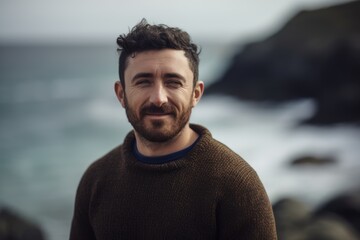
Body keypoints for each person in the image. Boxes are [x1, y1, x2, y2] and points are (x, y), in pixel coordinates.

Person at [69, 19, 277, 239]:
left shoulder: (237, 184)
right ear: (121, 94)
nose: (158, 98)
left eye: (173, 82)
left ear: (195, 94)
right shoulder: (96, 180)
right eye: (143, 82)